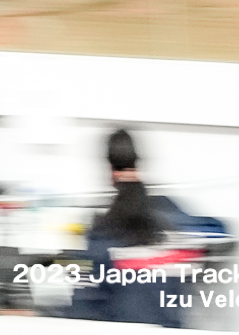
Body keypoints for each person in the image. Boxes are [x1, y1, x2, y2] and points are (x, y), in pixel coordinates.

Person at [69, 129, 190, 326]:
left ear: (109, 169)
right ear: (138, 162)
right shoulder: (172, 214)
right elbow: (216, 236)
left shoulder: (102, 230)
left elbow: (83, 303)